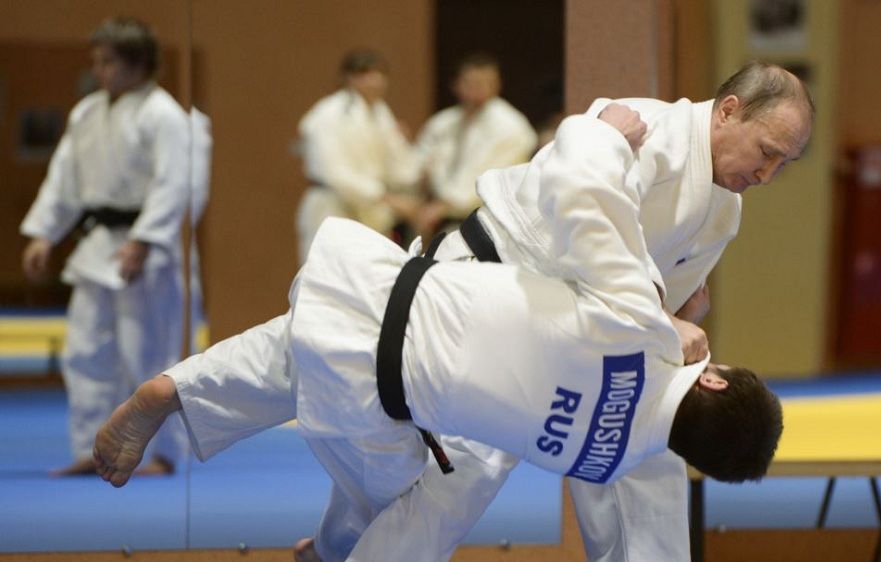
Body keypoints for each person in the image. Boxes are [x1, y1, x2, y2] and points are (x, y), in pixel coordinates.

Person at [117, 61, 812, 560]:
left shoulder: (724, 210)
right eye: (767, 153)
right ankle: (328, 538)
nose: (767, 174)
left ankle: (201, 411)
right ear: (728, 111)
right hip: (501, 287)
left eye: (783, 165)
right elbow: (587, 201)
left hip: (565, 340)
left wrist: (678, 309)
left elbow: (654, 298)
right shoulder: (647, 129)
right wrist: (660, 313)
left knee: (339, 363)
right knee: (443, 469)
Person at [19, 17, 192, 477]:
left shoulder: (164, 114)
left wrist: (144, 239)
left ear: (139, 64)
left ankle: (159, 454)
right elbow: (63, 180)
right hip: (96, 247)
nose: (99, 70)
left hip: (145, 250)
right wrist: (44, 233)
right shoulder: (87, 112)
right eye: (96, 61)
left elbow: (174, 185)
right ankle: (92, 449)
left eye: (108, 62)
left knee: (148, 355)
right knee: (84, 352)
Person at [295, 49, 421, 263]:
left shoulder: (380, 113)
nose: (374, 81)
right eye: (364, 74)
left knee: (369, 275)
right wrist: (387, 198)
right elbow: (333, 172)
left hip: (371, 211)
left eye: (379, 74)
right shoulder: (329, 113)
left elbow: (401, 168)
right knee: (328, 272)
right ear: (347, 78)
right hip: (333, 205)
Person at [412, 53, 537, 239]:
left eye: (485, 82)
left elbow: (491, 179)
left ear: (496, 85)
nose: (477, 88)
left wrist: (444, 206)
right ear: (456, 84)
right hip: (438, 212)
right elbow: (419, 162)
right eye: (470, 82)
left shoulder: (511, 126)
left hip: (488, 220)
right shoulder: (444, 122)